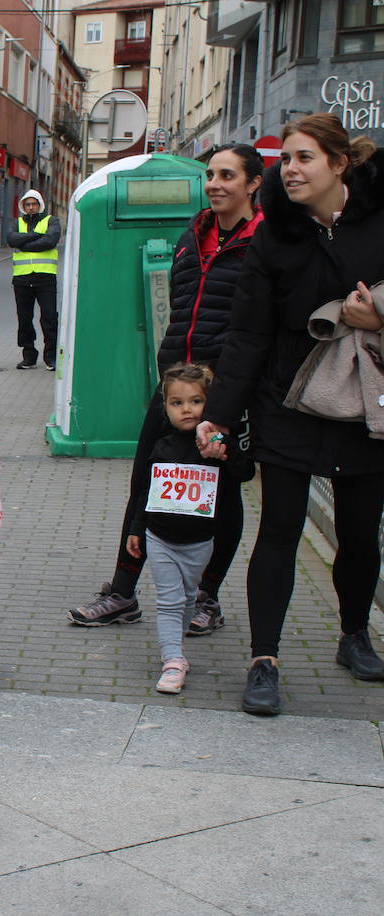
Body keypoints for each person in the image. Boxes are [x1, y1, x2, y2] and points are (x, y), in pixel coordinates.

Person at [197, 113, 384, 716]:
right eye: (287, 159)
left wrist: (377, 318)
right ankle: (264, 659)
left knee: (359, 532)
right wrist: (219, 416)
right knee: (279, 529)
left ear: (339, 164)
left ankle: (354, 634)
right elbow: (247, 334)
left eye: (305, 158)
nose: (291, 169)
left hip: (363, 402)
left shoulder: (379, 222)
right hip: (288, 401)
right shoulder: (275, 235)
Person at [70, 144, 264, 632]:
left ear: (253, 183)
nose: (216, 184)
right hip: (175, 385)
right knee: (147, 480)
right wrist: (169, 373)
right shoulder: (190, 237)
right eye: (212, 175)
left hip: (227, 391)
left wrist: (236, 393)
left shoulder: (264, 241)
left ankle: (206, 598)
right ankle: (122, 593)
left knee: (222, 491)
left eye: (228, 175)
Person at [125, 364, 251, 695]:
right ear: (165, 407)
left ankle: (175, 649)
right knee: (169, 600)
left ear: (208, 404)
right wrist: (137, 529)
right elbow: (146, 492)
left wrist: (223, 447)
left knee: (187, 599)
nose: (186, 409)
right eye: (177, 403)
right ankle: (173, 660)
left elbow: (245, 471)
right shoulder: (162, 446)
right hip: (160, 538)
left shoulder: (215, 444)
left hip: (199, 543)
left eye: (195, 401)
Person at [6, 189, 61, 370]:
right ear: (23, 206)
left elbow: (50, 241)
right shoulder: (17, 223)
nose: (31, 207)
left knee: (49, 318)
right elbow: (11, 239)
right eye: (27, 204)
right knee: (24, 319)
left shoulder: (51, 221)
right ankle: (28, 356)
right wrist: (36, 235)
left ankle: (51, 356)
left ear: (40, 205)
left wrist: (25, 244)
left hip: (45, 278)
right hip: (22, 279)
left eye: (34, 204)